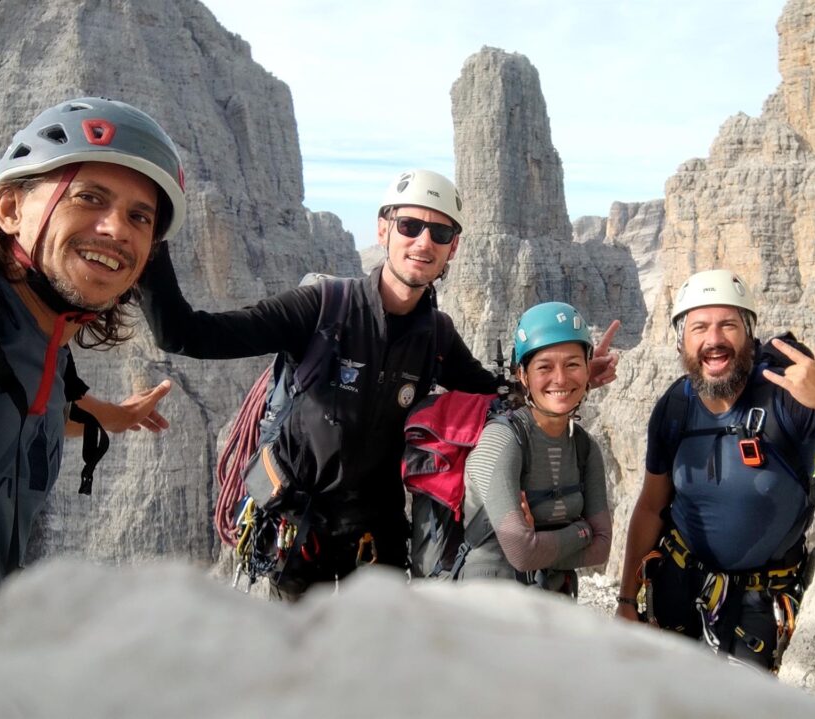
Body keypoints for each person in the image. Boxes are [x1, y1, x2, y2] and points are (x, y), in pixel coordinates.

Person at [138, 169, 620, 599]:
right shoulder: (321, 308)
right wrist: (150, 227)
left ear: (453, 248)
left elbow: (494, 397)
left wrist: (573, 380)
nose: (423, 242)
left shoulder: (437, 336)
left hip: (378, 545)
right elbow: (186, 333)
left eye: (440, 231)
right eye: (410, 226)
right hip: (298, 537)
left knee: (373, 682)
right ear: (383, 230)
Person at [0, 97, 183, 642]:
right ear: (10, 210)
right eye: (89, 197)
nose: (117, 229)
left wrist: (109, 417)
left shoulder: (46, 350)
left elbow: (25, 406)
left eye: (141, 217)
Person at [616, 269, 815, 669]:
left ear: (749, 332)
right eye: (699, 327)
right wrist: (627, 601)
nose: (713, 340)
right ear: (681, 340)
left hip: (759, 604)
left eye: (727, 325)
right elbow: (651, 507)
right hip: (677, 587)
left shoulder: (787, 398)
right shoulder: (674, 408)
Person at [460, 302, 612, 596]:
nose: (560, 378)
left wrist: (540, 541)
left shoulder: (584, 447)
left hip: (554, 609)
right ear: (523, 375)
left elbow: (602, 549)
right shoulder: (502, 440)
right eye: (544, 366)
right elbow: (523, 554)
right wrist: (583, 532)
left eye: (572, 364)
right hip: (487, 615)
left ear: (586, 370)